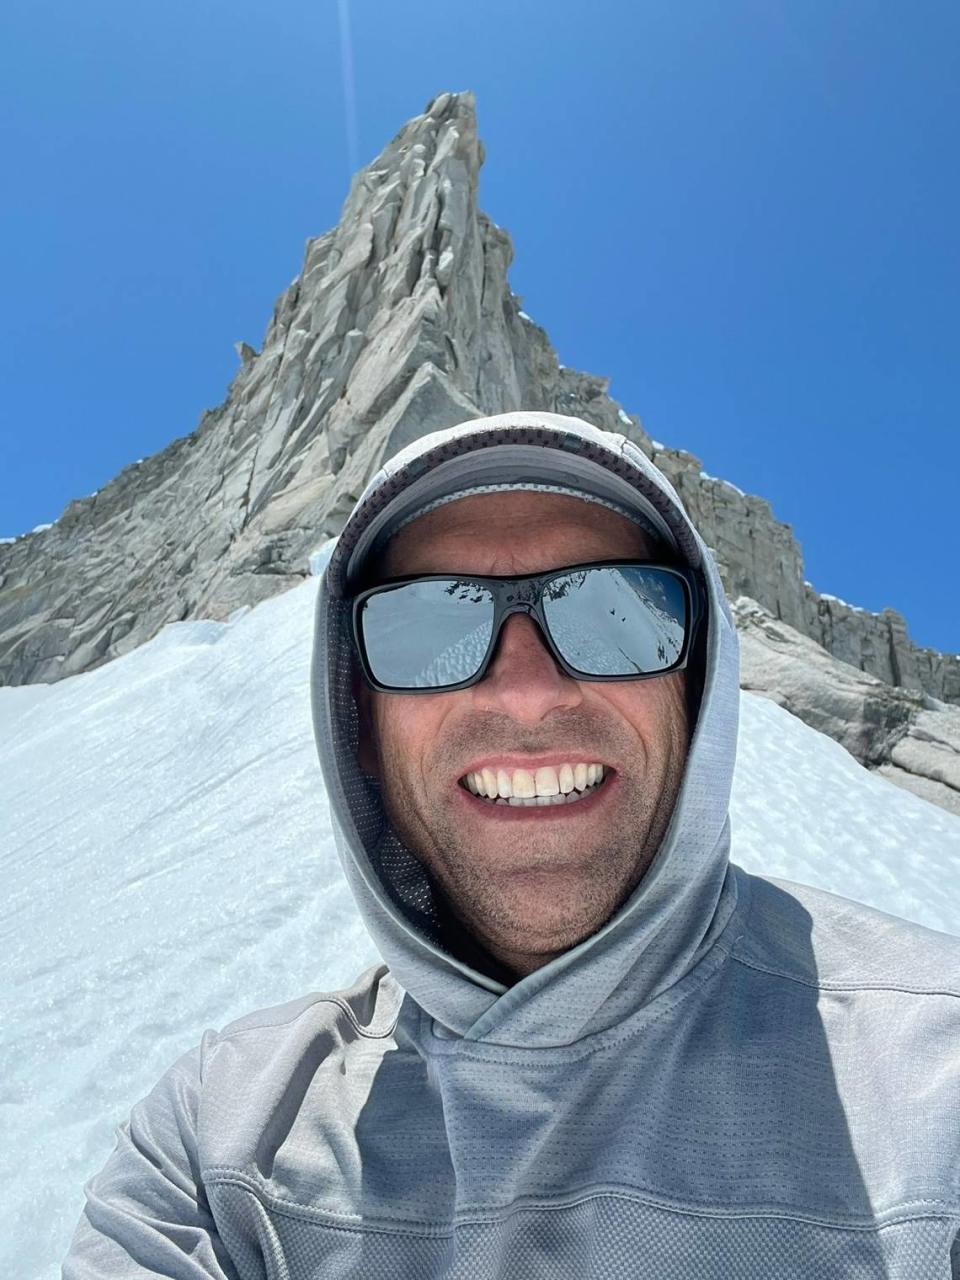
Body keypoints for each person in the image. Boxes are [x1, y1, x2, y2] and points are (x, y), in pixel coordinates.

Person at [64, 410, 960, 1278]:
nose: (526, 691)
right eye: (426, 626)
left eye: (618, 611)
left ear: (697, 693)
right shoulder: (220, 1146)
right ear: (360, 728)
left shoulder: (936, 1075)